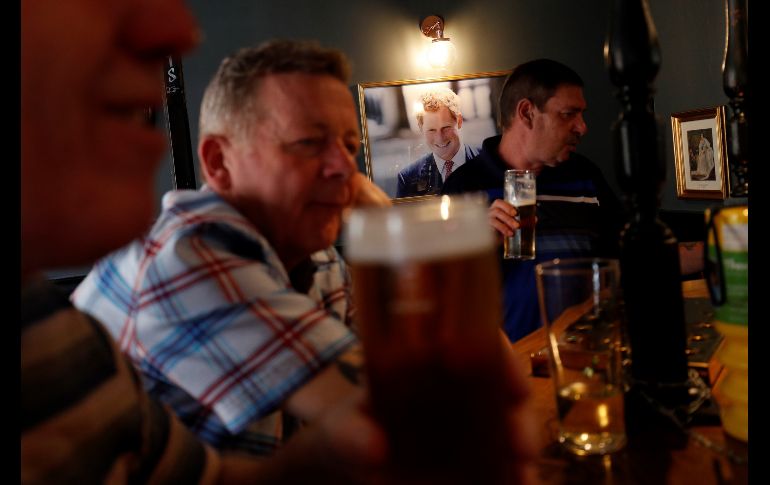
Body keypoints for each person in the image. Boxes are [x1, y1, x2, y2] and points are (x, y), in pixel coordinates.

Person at [21, 0, 397, 482]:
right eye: (308, 142)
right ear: (218, 162)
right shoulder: (187, 254)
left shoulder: (317, 259)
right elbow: (418, 418)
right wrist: (395, 236)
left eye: (350, 146)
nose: (346, 169)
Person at [442, 59, 626, 342]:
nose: (582, 127)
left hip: (585, 354)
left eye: (581, 115)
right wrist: (476, 244)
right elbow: (441, 295)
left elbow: (627, 257)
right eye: (568, 114)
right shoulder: (461, 187)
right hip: (504, 362)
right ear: (527, 113)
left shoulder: (586, 176)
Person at [396, 88, 479, 197]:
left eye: (446, 127)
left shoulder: (489, 162)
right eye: (431, 130)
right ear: (421, 127)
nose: (440, 138)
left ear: (459, 121)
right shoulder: (407, 178)